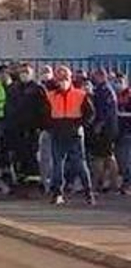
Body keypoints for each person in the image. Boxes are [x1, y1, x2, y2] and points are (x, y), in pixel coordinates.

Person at [45, 65, 95, 206]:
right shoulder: (51, 96)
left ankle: (88, 193)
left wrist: (79, 124)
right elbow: (44, 114)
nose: (62, 81)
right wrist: (50, 127)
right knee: (57, 165)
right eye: (60, 78)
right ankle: (57, 193)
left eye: (65, 78)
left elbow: (90, 113)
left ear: (70, 78)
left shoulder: (80, 94)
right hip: (58, 133)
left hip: (74, 134)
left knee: (80, 164)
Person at [8, 64, 48, 197]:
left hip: (32, 129)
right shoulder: (14, 88)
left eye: (26, 71)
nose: (24, 74)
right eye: (22, 71)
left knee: (32, 157)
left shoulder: (37, 89)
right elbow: (9, 108)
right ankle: (21, 184)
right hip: (16, 129)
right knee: (19, 157)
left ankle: (34, 185)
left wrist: (40, 126)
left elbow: (44, 109)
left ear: (32, 73)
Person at [88, 68, 120, 193]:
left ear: (101, 76)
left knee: (101, 156)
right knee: (107, 156)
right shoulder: (105, 90)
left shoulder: (104, 91)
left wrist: (99, 125)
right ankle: (112, 183)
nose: (93, 79)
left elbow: (104, 112)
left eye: (95, 76)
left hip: (105, 129)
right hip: (109, 128)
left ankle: (98, 183)